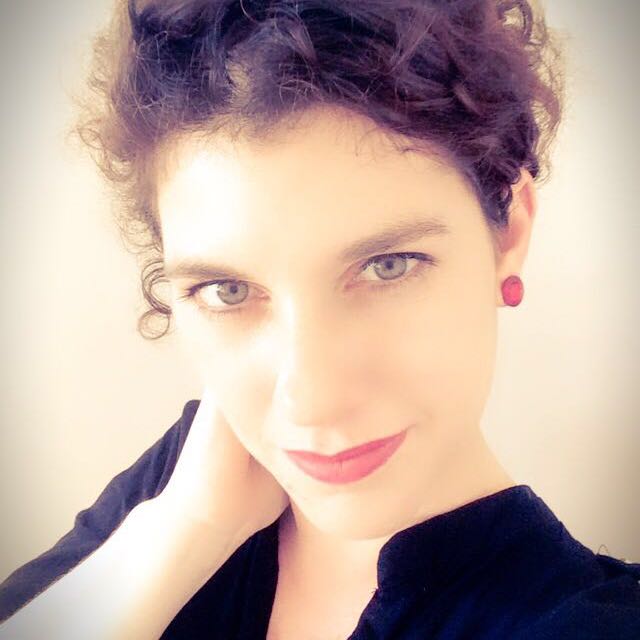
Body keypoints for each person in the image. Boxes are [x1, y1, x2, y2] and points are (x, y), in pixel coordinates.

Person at [1, 0, 639, 638]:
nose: (311, 403)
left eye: (388, 266)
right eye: (227, 289)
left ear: (509, 231)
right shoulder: (186, 475)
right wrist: (185, 531)